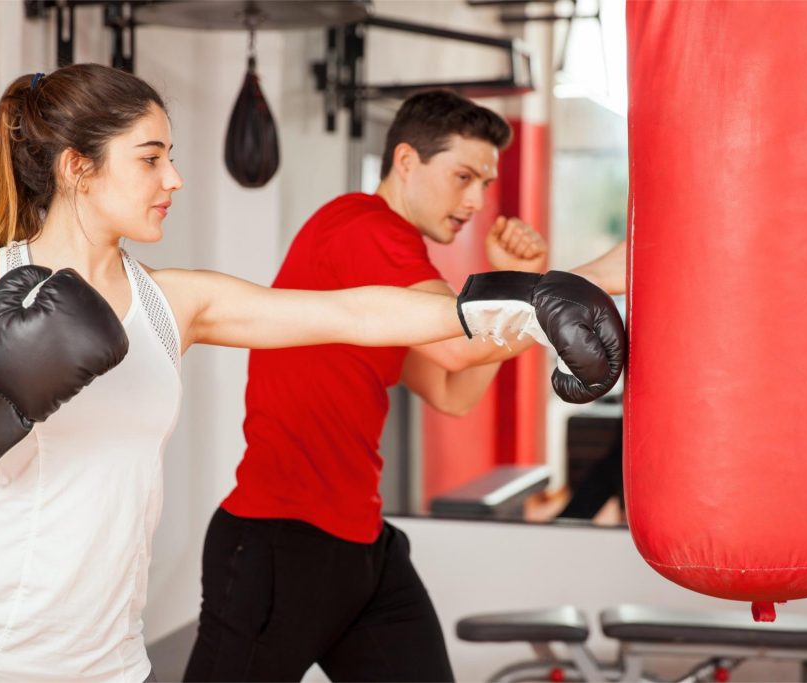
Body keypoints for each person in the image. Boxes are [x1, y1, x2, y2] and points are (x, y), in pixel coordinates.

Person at [0, 66, 623, 682]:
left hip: (106, 663)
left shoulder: (174, 302)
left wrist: (520, 299)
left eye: (170, 155)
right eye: (150, 157)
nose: (173, 177)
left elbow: (355, 316)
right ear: (78, 167)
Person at [183, 91, 628, 682]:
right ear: (407, 161)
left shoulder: (394, 254)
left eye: (484, 183)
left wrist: (518, 285)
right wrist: (599, 276)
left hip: (360, 546)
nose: (475, 201)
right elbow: (456, 343)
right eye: (463, 176)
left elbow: (453, 390)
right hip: (281, 541)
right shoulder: (363, 228)